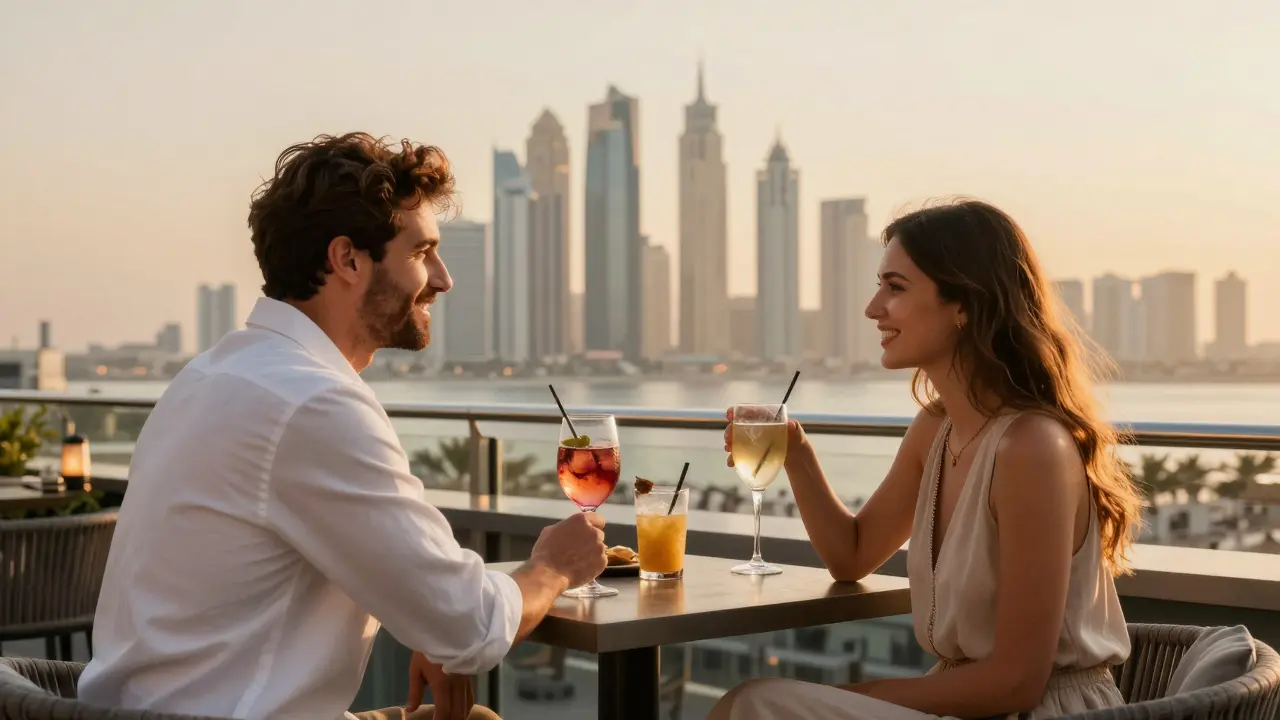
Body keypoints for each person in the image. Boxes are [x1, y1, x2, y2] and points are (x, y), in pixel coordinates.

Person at [78, 133, 608, 720]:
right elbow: (473, 626)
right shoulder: (313, 403)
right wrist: (551, 568)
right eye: (420, 252)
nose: (442, 278)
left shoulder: (211, 377)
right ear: (347, 259)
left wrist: (430, 623)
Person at [711, 199, 1144, 720]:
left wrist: (855, 698)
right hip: (962, 705)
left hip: (1044, 711)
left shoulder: (1032, 448)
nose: (873, 308)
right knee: (753, 704)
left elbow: (1016, 683)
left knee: (753, 705)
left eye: (895, 287)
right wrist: (798, 454)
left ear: (964, 304)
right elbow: (851, 556)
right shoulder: (936, 430)